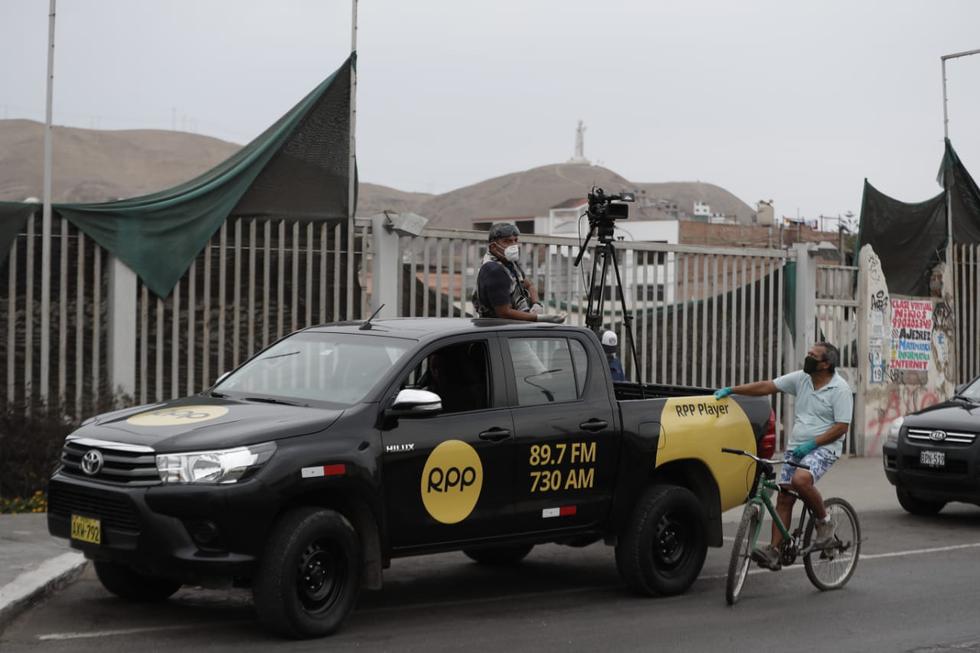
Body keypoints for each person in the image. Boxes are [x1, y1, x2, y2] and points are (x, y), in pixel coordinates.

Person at [713, 342, 852, 571]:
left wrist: (812, 444)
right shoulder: (802, 378)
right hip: (796, 446)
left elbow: (841, 427)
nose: (807, 358)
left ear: (826, 364)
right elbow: (768, 386)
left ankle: (824, 524)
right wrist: (733, 390)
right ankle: (775, 551)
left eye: (812, 356)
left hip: (823, 448)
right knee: (784, 497)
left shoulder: (840, 389)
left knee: (800, 481)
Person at [474, 222, 565, 323]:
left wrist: (536, 304)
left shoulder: (509, 263)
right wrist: (541, 318)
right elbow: (504, 313)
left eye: (515, 240)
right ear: (493, 247)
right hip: (500, 329)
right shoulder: (494, 270)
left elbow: (529, 284)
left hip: (516, 324)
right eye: (507, 241)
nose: (513, 245)